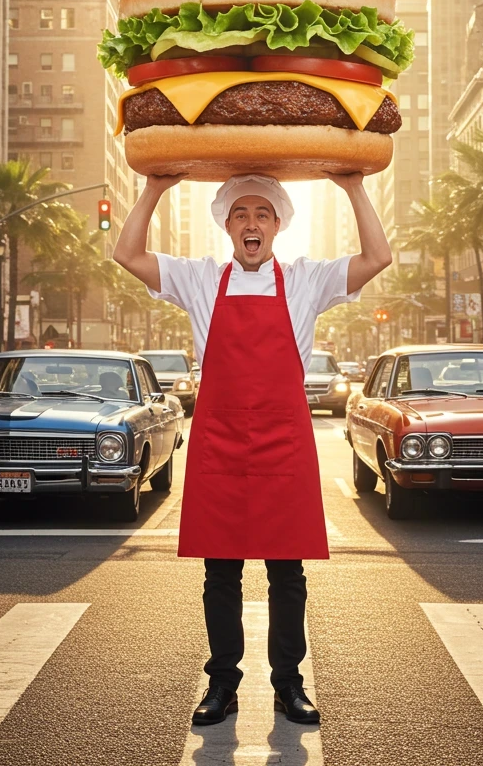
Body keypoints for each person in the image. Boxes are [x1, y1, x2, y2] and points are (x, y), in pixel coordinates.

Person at [113, 171, 391, 727]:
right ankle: (223, 684)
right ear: (226, 225)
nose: (251, 223)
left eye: (262, 214)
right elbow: (126, 252)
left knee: (287, 573)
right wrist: (155, 186)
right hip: (221, 444)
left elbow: (378, 256)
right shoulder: (197, 279)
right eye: (241, 213)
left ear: (279, 224)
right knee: (222, 573)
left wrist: (352, 185)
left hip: (282, 445)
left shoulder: (307, 280)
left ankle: (290, 684)